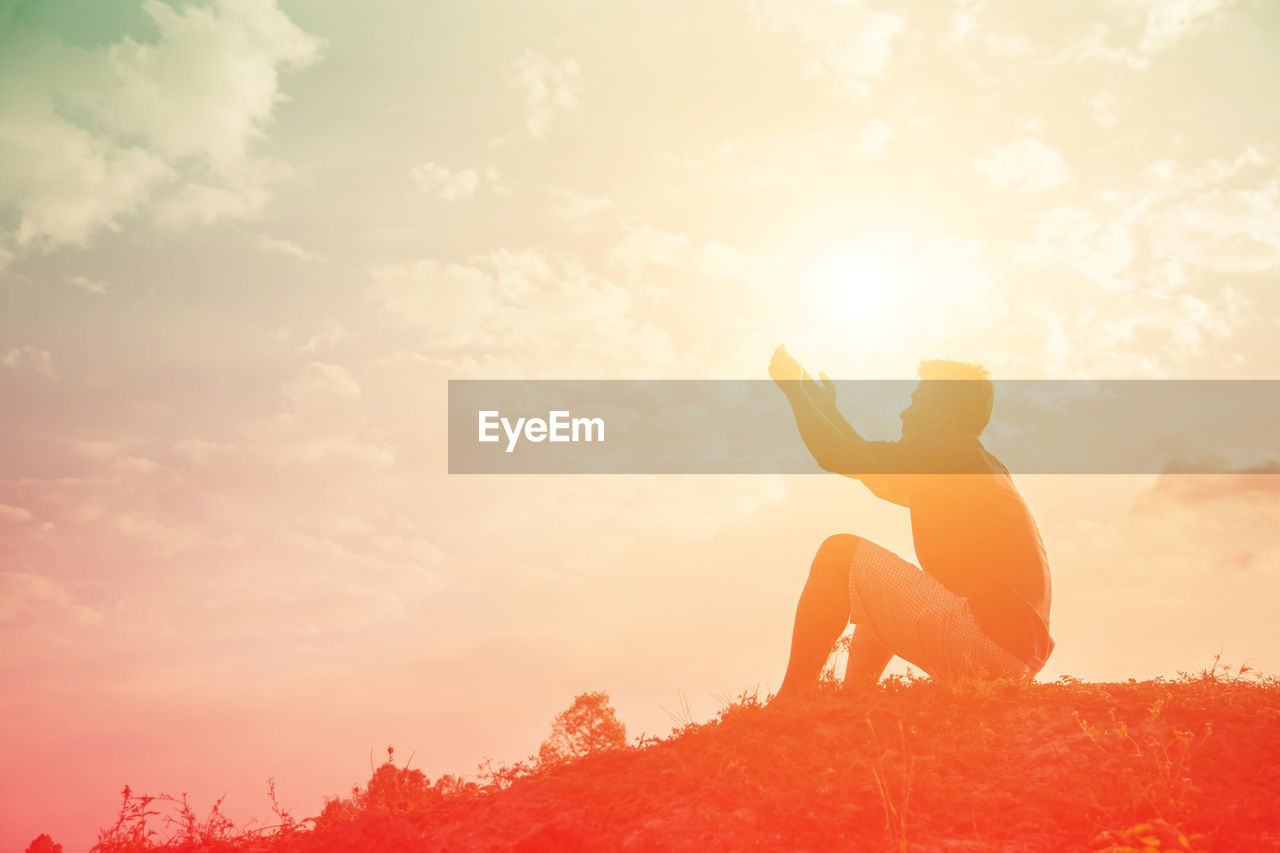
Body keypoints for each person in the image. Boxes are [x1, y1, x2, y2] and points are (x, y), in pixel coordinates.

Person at [767, 345, 1054, 698]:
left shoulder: (946, 452)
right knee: (872, 584)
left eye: (917, 401)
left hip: (987, 644)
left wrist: (794, 392)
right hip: (1013, 656)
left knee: (837, 553)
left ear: (944, 412)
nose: (905, 412)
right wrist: (828, 412)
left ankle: (794, 696)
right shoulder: (975, 463)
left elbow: (836, 454)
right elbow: (866, 467)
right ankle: (854, 699)